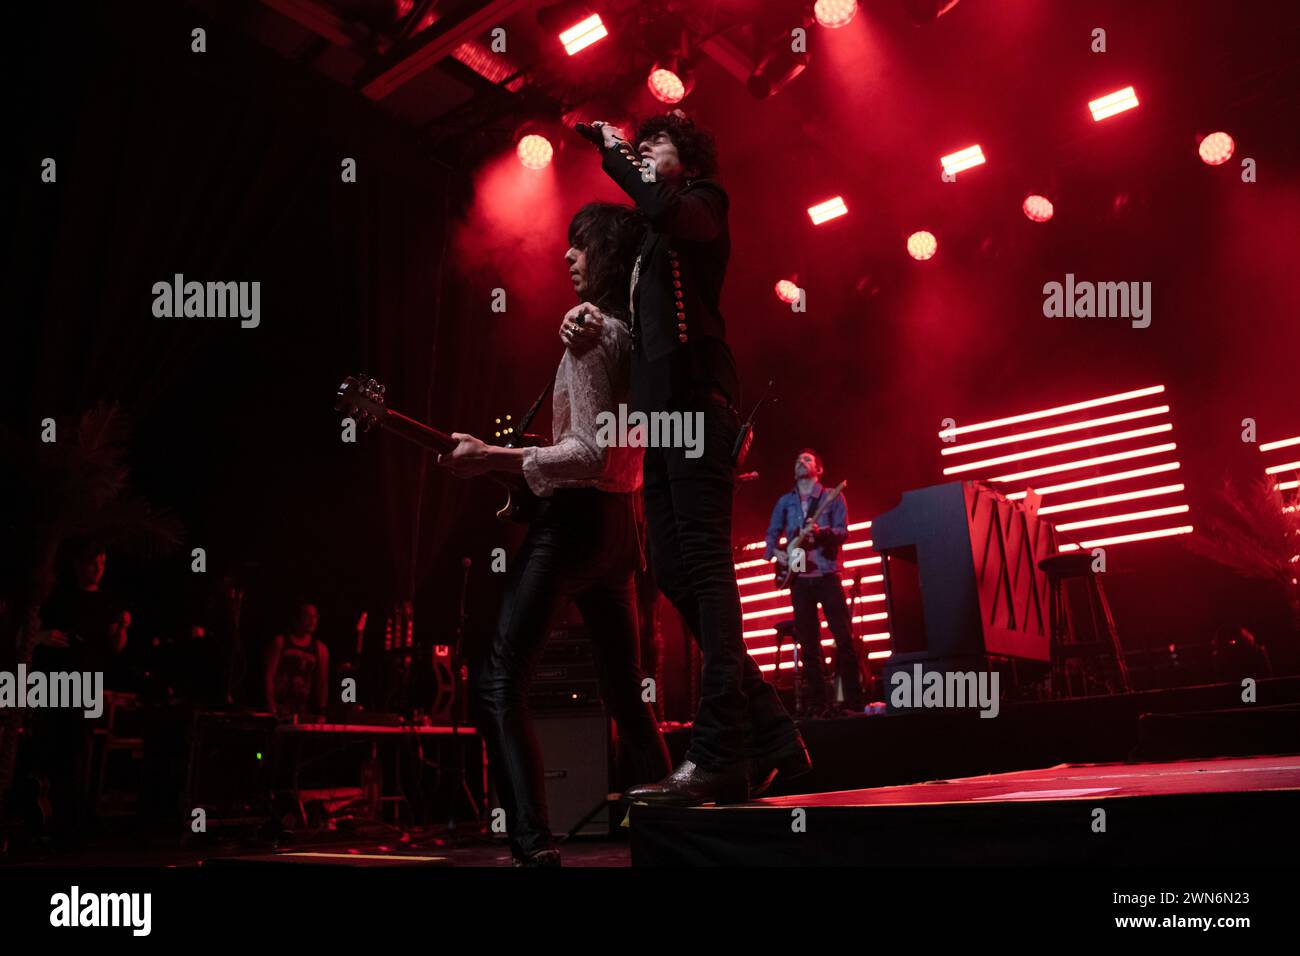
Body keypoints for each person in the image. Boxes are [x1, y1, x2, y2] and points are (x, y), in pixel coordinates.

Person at [564, 111, 809, 805]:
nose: (643, 152)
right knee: (673, 567)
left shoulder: (703, 205)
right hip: (659, 416)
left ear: (690, 158)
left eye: (656, 144)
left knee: (704, 564)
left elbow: (664, 207)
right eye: (637, 145)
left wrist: (617, 153)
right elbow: (615, 298)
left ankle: (718, 753)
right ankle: (775, 734)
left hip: (699, 400)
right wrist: (581, 315)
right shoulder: (647, 232)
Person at [439, 201, 671, 865]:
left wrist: (493, 458)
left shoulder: (589, 336)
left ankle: (532, 846)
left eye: (578, 248)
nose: (566, 258)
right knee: (626, 689)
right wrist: (515, 461)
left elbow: (588, 456)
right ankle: (674, 832)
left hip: (576, 521)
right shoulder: (634, 334)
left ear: (601, 256)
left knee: (498, 679)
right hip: (623, 528)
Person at [765, 449, 863, 715]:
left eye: (807, 459)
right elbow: (771, 537)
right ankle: (818, 704)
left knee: (843, 639)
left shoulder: (832, 496)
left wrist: (822, 533)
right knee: (808, 645)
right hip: (799, 579)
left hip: (827, 575)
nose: (800, 461)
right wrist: (779, 554)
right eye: (797, 459)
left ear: (819, 469)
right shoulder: (785, 501)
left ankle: (853, 702)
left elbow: (844, 532)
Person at [263, 602, 329, 718]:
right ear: (297, 618)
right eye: (308, 616)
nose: (312, 620)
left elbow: (322, 682)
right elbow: (269, 675)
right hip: (278, 708)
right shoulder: (280, 642)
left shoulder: (320, 649)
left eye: (315, 617)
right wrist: (271, 707)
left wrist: (321, 711)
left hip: (303, 711)